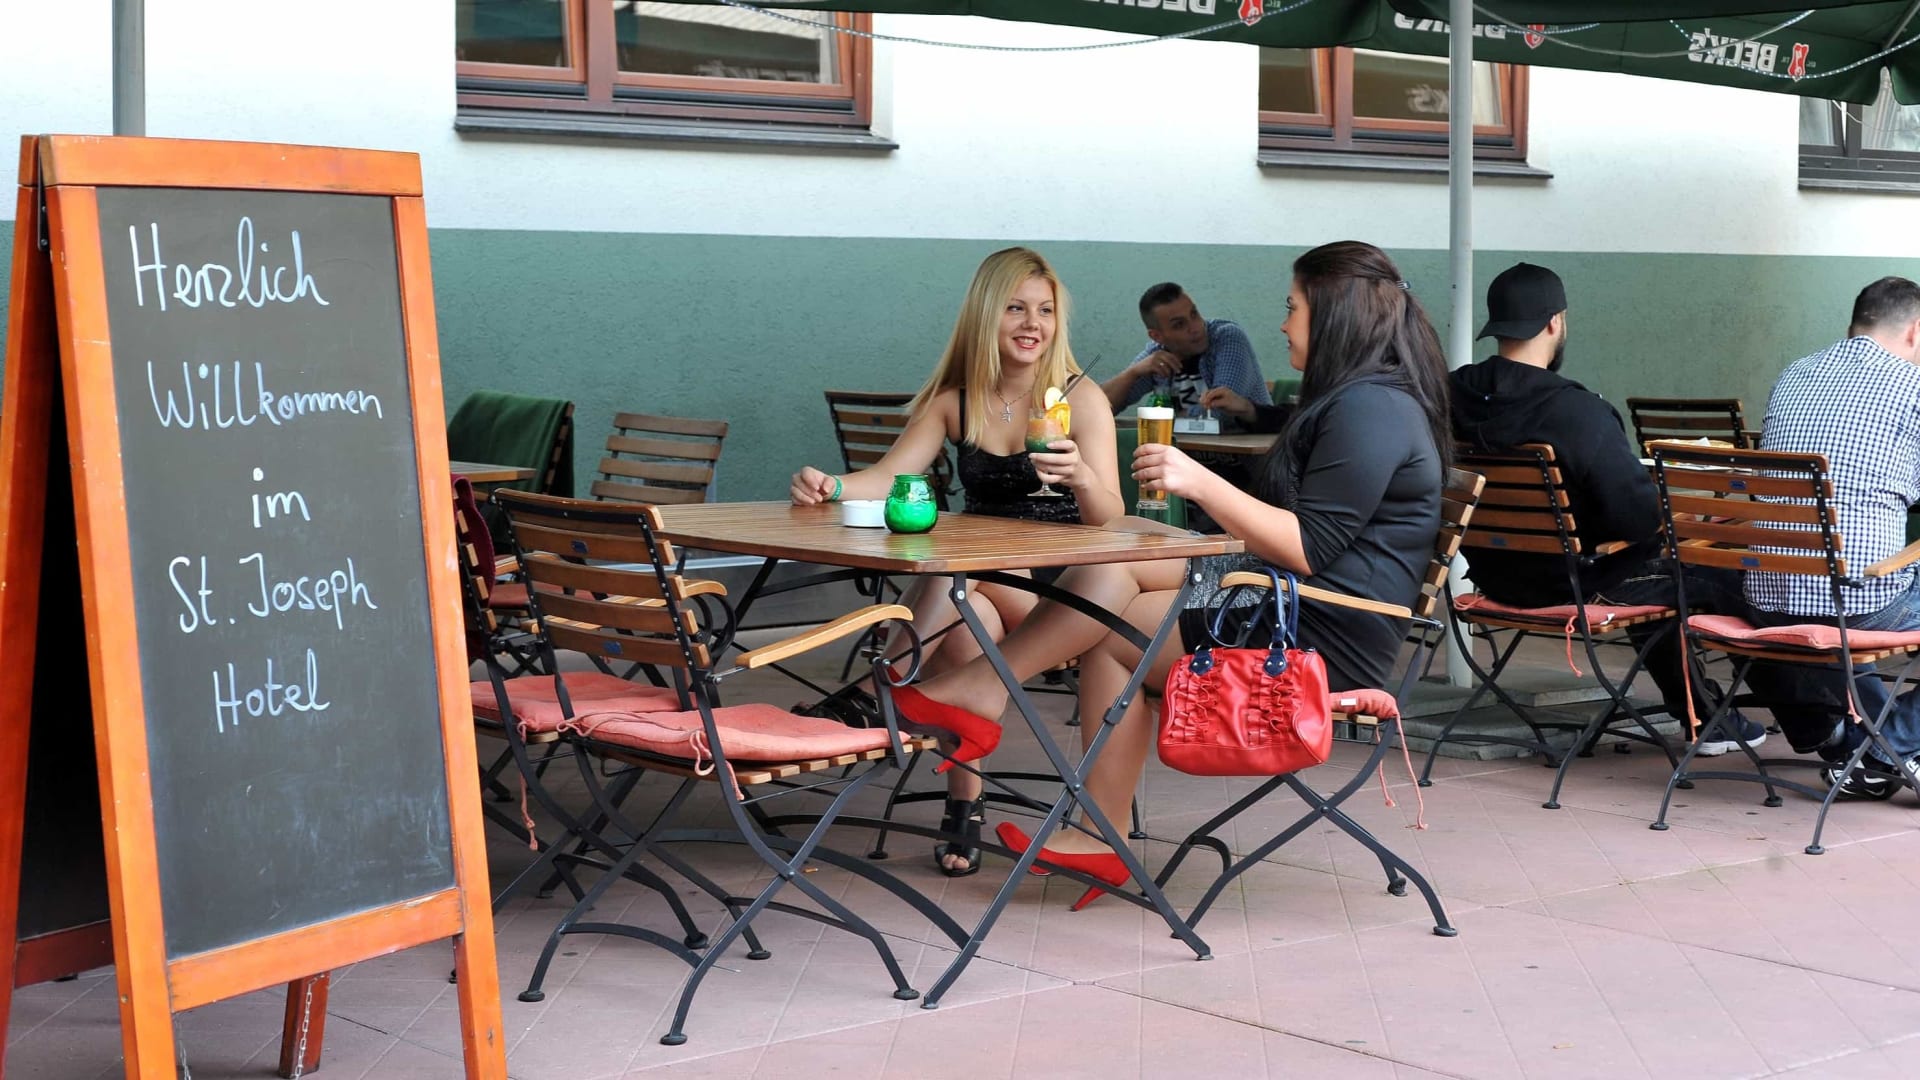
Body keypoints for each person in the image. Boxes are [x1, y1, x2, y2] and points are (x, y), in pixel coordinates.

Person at [889, 241, 1449, 905]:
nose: (1282, 323)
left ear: (1335, 315)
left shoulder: (1372, 408)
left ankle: (994, 701)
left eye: (1293, 307)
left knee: (1114, 611)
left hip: (1321, 634)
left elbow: (1309, 546)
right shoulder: (1358, 400)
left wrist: (1199, 482)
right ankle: (1085, 818)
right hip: (1283, 601)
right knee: (1121, 578)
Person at [789, 246, 1123, 874]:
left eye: (1045, 310)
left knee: (958, 577)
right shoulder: (957, 399)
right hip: (982, 581)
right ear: (985, 315)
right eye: (1016, 308)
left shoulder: (1079, 399)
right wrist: (829, 485)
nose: (1033, 324)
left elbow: (1110, 515)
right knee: (970, 618)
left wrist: (1080, 475)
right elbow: (888, 475)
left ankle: (878, 689)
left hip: (1061, 594)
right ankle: (963, 807)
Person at [1449, 262, 1765, 755]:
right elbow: (1636, 520)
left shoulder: (1449, 395)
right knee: (1732, 575)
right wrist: (1680, 519)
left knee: (1660, 571)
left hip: (1493, 575)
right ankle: (1819, 722)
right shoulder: (1577, 410)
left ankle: (1705, 717)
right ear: (1555, 322)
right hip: (1575, 583)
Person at [1744, 276, 1920, 800]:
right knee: (1868, 587)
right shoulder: (1913, 387)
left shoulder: (1794, 373)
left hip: (1768, 596)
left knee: (1849, 583)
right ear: (1916, 331)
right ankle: (1886, 749)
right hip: (1859, 601)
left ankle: (1865, 747)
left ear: (1854, 323)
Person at [1101, 283, 1272, 428]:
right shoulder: (1158, 355)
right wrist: (1132, 373)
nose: (1195, 327)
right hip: (1188, 453)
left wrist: (1163, 420)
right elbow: (1098, 409)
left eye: (1194, 314)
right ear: (1157, 336)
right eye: (1179, 325)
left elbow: (1221, 413)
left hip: (1246, 453)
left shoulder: (1226, 337)